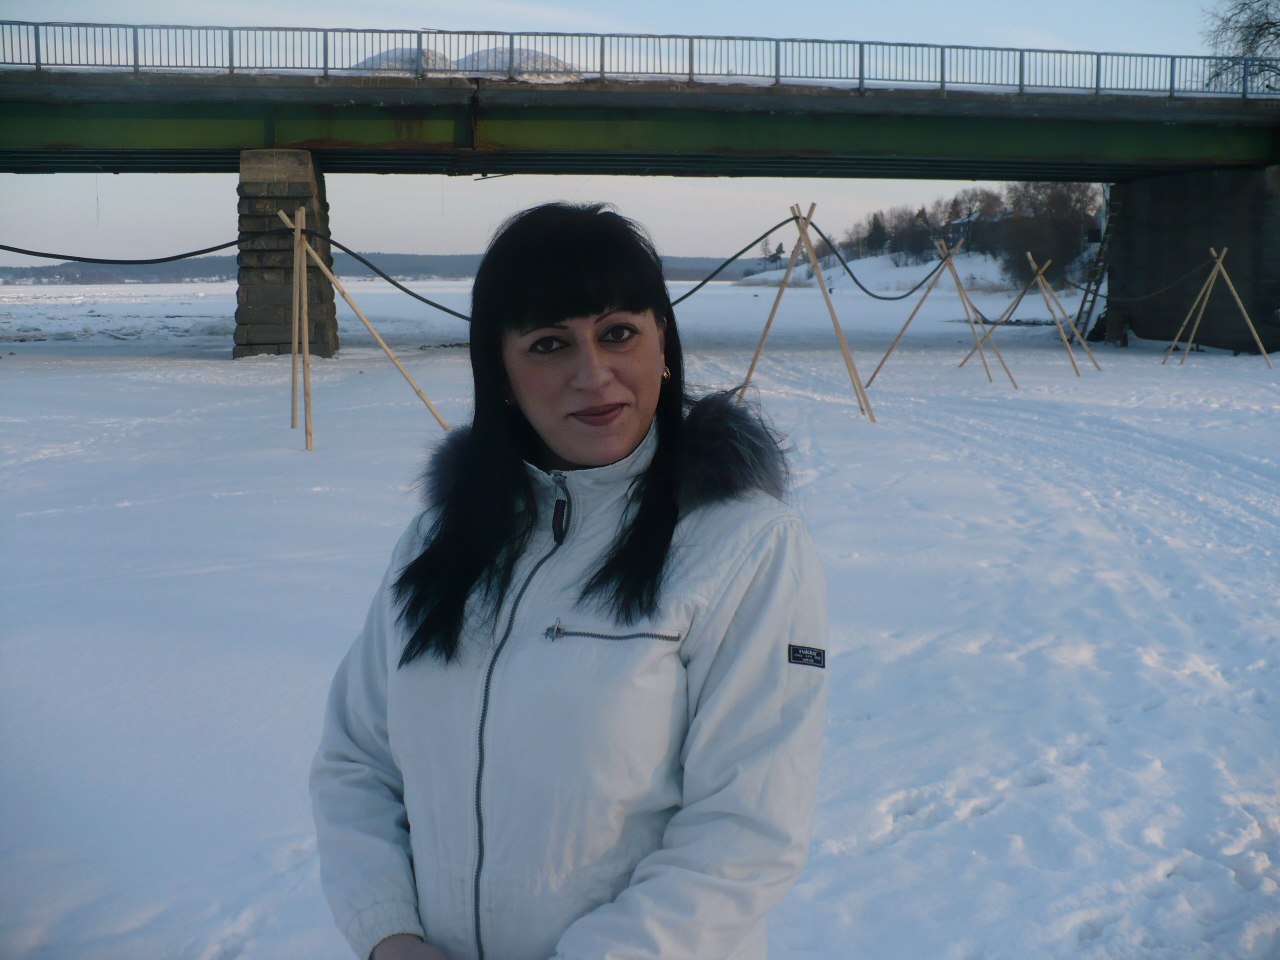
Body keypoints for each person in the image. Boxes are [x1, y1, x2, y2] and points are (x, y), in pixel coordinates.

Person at [310, 202, 828, 960]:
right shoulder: (441, 541)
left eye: (618, 333)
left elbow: (748, 830)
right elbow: (357, 761)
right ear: (502, 373)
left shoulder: (745, 545)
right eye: (549, 344)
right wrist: (389, 933)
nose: (593, 375)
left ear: (662, 344)